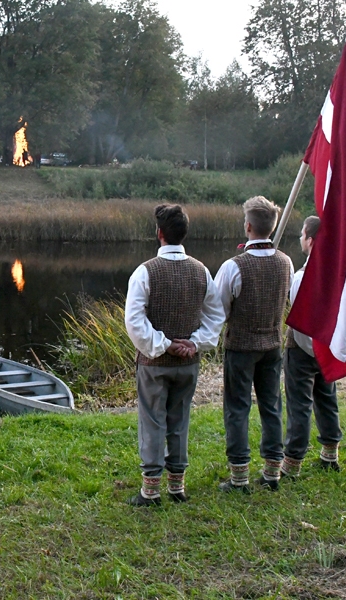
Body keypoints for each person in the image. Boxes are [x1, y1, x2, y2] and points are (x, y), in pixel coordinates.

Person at [124, 204, 224, 506]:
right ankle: (177, 487)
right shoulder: (201, 270)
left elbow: (134, 321)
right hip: (188, 363)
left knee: (153, 421)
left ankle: (151, 491)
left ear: (159, 234)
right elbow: (215, 315)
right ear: (184, 234)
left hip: (154, 364)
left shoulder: (145, 272)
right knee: (179, 420)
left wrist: (164, 344)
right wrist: (194, 343)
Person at [213, 196, 294, 493]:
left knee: (237, 408)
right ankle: (272, 473)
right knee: (271, 406)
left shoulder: (233, 267)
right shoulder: (286, 262)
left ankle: (239, 478)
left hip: (241, 347)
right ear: (270, 227)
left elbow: (218, 310)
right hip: (272, 344)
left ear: (248, 226)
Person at [281, 216, 343, 477]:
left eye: (302, 234)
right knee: (327, 398)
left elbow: (299, 319)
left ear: (311, 239)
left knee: (300, 405)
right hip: (328, 347)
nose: (300, 238)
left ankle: (293, 463)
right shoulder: (339, 272)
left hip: (303, 349)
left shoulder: (301, 277)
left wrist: (310, 348)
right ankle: (330, 454)